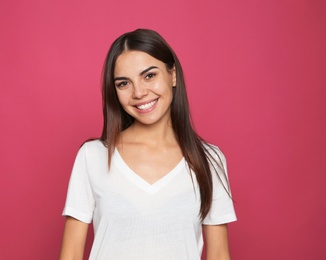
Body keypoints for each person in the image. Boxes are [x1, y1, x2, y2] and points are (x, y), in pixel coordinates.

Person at [59, 28, 236, 260]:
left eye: (149, 75)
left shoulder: (209, 160)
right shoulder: (94, 156)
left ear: (172, 74)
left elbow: (219, 254)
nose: (139, 92)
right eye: (124, 83)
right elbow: (70, 254)